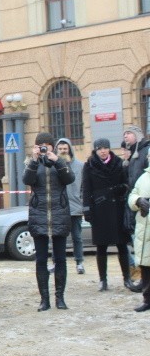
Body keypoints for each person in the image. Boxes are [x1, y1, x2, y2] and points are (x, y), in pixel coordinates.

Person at [23, 132, 74, 311]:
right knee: (41, 260)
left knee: (60, 259)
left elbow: (69, 179)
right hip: (39, 215)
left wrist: (57, 161)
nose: (44, 147)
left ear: (52, 146)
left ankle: (60, 298)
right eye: (40, 145)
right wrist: (34, 160)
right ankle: (44, 300)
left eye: (47, 145)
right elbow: (27, 180)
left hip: (59, 214)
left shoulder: (61, 162)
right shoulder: (32, 163)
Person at [82, 138, 139, 292]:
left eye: (105, 148)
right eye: (100, 148)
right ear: (95, 150)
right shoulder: (89, 165)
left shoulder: (118, 163)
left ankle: (127, 278)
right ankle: (103, 279)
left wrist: (121, 188)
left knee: (122, 245)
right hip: (100, 210)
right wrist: (87, 209)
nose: (103, 151)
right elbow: (86, 189)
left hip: (118, 208)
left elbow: (127, 183)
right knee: (101, 246)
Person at [122, 125, 149, 280]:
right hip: (135, 203)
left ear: (137, 136)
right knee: (138, 244)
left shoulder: (145, 152)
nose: (125, 136)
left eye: (129, 133)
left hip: (145, 205)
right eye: (124, 134)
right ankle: (143, 280)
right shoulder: (133, 155)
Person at [55, 138, 85, 274]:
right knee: (58, 238)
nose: (62, 151)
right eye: (60, 149)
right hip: (59, 208)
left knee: (77, 237)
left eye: (65, 149)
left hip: (75, 207)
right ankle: (57, 263)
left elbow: (84, 186)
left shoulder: (80, 166)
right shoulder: (53, 165)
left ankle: (79, 263)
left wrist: (83, 203)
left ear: (70, 149)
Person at [127, 153, 150, 312]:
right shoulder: (144, 177)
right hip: (145, 228)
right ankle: (148, 299)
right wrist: (138, 201)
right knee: (147, 267)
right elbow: (132, 195)